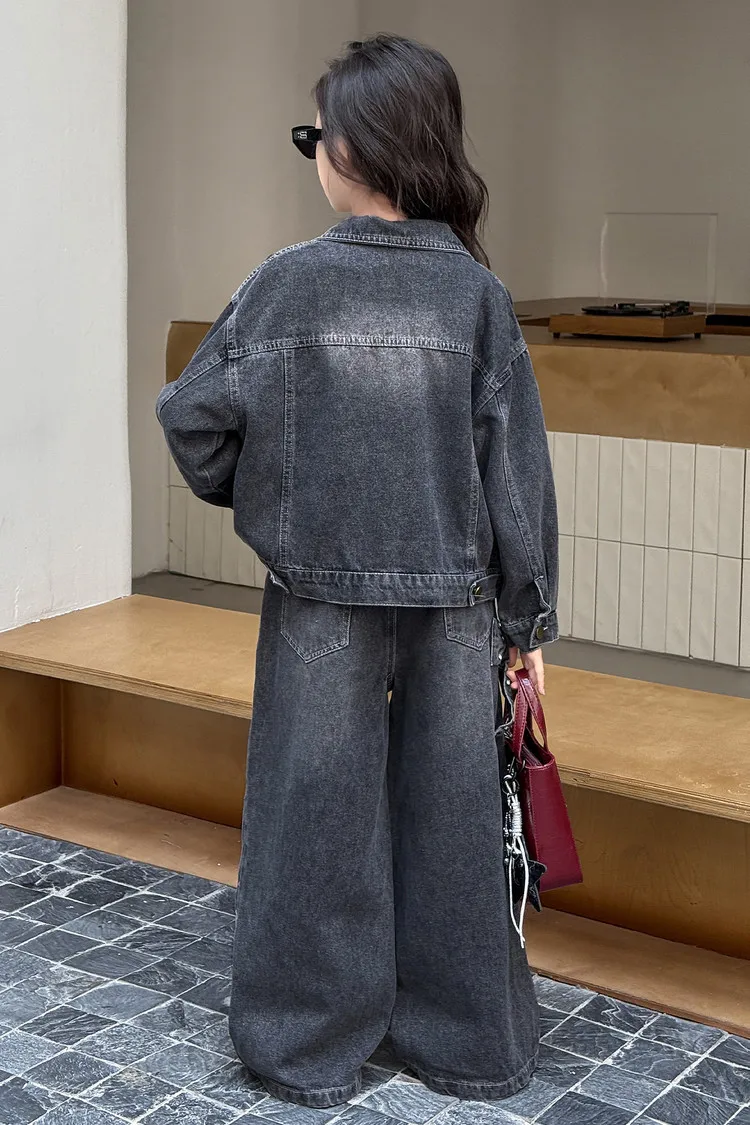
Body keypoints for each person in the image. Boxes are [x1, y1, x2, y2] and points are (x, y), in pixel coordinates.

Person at [157, 33, 558, 1111]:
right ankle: (464, 1041)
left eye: (315, 135)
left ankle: (306, 1044)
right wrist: (528, 626)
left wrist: (284, 513)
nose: (314, 155)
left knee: (311, 816)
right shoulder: (477, 297)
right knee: (453, 819)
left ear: (355, 147)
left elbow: (192, 421)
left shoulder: (284, 284)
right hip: (458, 607)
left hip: (316, 600)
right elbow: (517, 480)